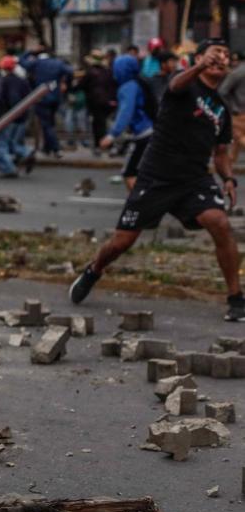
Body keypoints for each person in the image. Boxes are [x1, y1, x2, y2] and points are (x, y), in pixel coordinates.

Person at [72, 39, 243, 322]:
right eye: (215, 53)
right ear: (199, 58)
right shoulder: (182, 87)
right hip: (156, 176)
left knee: (220, 223)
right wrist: (199, 65)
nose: (222, 58)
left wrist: (227, 179)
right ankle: (94, 270)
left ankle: (236, 298)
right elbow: (176, 85)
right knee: (121, 242)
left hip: (195, 179)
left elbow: (221, 152)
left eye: (226, 54)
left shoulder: (221, 109)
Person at [99, 54, 154, 191]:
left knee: (130, 173)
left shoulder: (128, 87)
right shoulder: (139, 82)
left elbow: (126, 112)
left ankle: (138, 207)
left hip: (143, 134)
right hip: (151, 131)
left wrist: (112, 135)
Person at [0, 56, 35, 179]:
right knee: (12, 143)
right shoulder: (22, 81)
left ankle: (8, 169)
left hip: (6, 117)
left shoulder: (1, 81)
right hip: (21, 116)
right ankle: (27, 152)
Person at [22, 46, 73, 157]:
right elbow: (70, 71)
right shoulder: (58, 63)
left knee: (46, 124)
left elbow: (22, 62)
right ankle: (47, 148)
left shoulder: (36, 63)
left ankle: (56, 148)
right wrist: (65, 83)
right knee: (50, 123)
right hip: (55, 97)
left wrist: (30, 51)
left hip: (41, 97)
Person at [82, 49, 116, 151]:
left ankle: (100, 144)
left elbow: (82, 86)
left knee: (97, 124)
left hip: (95, 103)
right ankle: (108, 143)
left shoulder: (89, 73)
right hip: (108, 102)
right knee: (106, 123)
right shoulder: (108, 71)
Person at [220, 52, 245, 165]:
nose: (233, 63)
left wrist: (230, 106)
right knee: (236, 139)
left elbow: (222, 91)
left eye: (235, 60)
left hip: (238, 111)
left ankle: (229, 163)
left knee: (239, 137)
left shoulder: (236, 73)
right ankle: (229, 163)